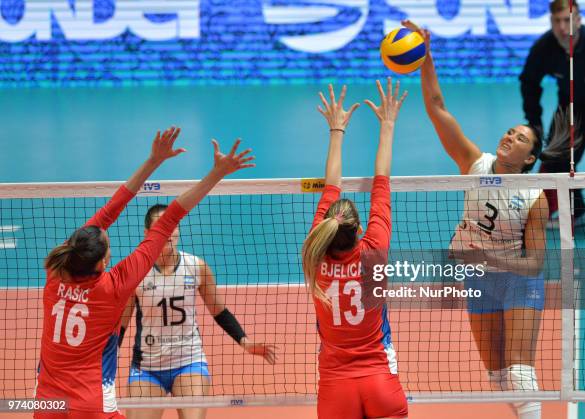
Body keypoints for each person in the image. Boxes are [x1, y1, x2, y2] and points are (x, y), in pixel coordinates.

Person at [403, 19, 578, 419]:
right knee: (496, 373)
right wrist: (426, 58)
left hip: (517, 276)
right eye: (508, 132)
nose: (508, 137)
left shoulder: (535, 197)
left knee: (518, 370)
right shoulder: (475, 164)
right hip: (477, 277)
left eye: (519, 138)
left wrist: (487, 260)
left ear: (530, 159)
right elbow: (437, 108)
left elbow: (535, 262)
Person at [34, 127, 255, 419]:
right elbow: (169, 217)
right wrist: (213, 173)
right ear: (102, 263)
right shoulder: (115, 285)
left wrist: (153, 161)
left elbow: (107, 213)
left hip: (46, 401)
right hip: (92, 402)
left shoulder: (55, 269)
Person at [301, 79, 409, 419]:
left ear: (326, 228)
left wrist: (336, 130)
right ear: (359, 230)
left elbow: (331, 185)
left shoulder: (313, 256)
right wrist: (388, 124)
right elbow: (382, 180)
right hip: (380, 382)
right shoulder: (374, 249)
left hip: (336, 389)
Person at [119, 203, 278, 419]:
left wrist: (245, 341)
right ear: (147, 233)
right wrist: (103, 358)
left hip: (188, 362)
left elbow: (219, 311)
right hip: (147, 367)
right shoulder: (136, 270)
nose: (168, 232)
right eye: (160, 227)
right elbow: (121, 324)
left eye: (172, 225)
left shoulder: (196, 267)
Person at [519, 0, 585, 235]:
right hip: (572, 107)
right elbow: (529, 82)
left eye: (568, 20)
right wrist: (535, 123)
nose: (563, 27)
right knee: (556, 160)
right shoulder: (544, 48)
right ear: (551, 22)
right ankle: (578, 212)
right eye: (557, 21)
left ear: (578, 20)